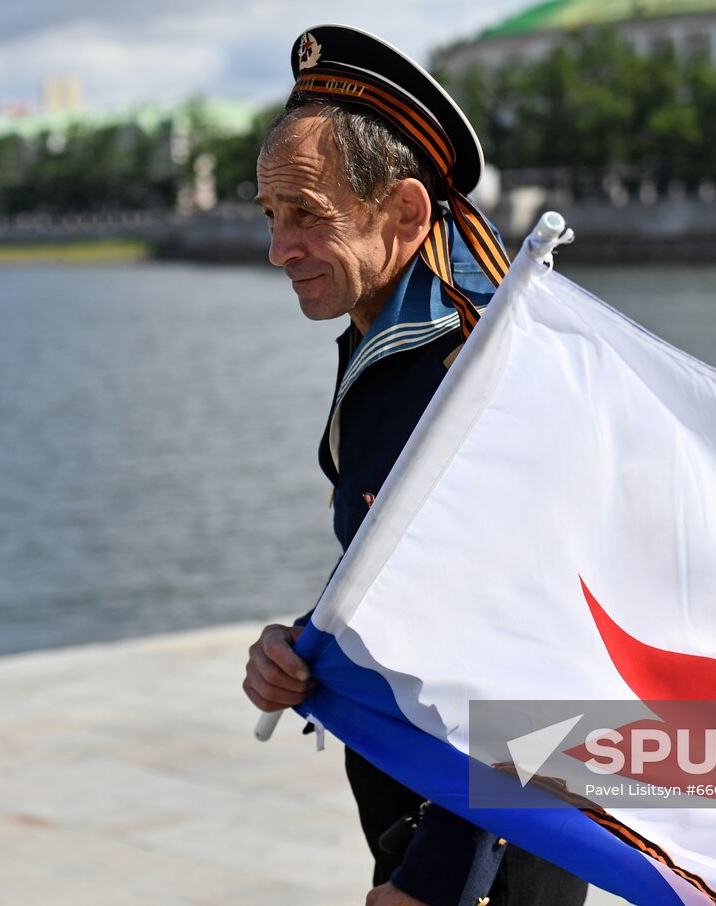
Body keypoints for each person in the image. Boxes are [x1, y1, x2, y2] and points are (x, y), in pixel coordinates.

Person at [242, 24, 589, 906]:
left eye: (308, 216)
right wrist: (303, 642)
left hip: (494, 851)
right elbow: (403, 566)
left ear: (401, 213)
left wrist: (435, 880)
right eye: (271, 216)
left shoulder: (469, 371)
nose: (279, 249)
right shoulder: (387, 336)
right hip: (425, 815)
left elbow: (539, 653)